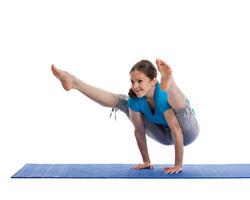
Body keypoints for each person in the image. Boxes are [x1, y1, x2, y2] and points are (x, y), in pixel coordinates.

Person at [51, 59, 199, 174]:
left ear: (154, 80)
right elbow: (139, 131)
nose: (135, 86)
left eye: (140, 81)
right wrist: (146, 161)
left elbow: (178, 131)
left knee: (179, 107)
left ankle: (170, 82)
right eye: (132, 81)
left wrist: (178, 165)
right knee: (124, 102)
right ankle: (75, 83)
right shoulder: (136, 100)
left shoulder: (161, 97)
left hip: (187, 131)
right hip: (166, 137)